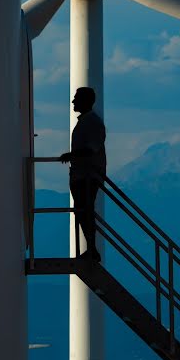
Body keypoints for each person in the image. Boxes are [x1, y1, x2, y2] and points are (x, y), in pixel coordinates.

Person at [59, 87, 106, 261]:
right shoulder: (88, 121)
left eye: (76, 98)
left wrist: (71, 155)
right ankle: (91, 249)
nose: (73, 102)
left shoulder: (91, 122)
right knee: (83, 211)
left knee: (84, 211)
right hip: (82, 175)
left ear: (86, 101)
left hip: (87, 176)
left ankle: (92, 250)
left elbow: (91, 149)